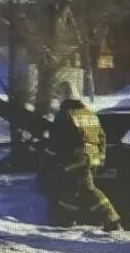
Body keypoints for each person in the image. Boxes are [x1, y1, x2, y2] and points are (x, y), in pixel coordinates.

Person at [48, 96, 122, 232]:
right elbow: (102, 137)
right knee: (75, 189)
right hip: (93, 157)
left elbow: (57, 139)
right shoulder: (90, 114)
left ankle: (112, 218)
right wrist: (101, 158)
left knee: (88, 188)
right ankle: (66, 219)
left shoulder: (65, 114)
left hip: (77, 159)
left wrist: (53, 154)